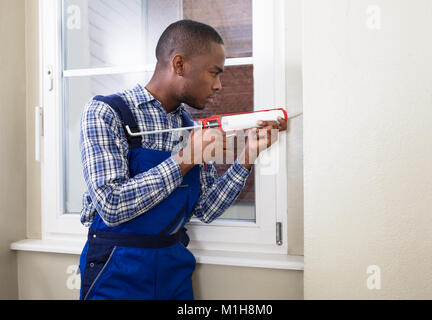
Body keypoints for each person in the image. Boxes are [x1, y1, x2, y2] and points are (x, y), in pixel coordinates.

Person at [78, 19, 287, 300]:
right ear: (179, 65)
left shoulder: (191, 128)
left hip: (173, 272)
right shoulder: (106, 112)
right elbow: (112, 205)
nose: (219, 85)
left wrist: (247, 155)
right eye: (214, 73)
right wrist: (186, 158)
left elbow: (206, 209)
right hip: (115, 271)